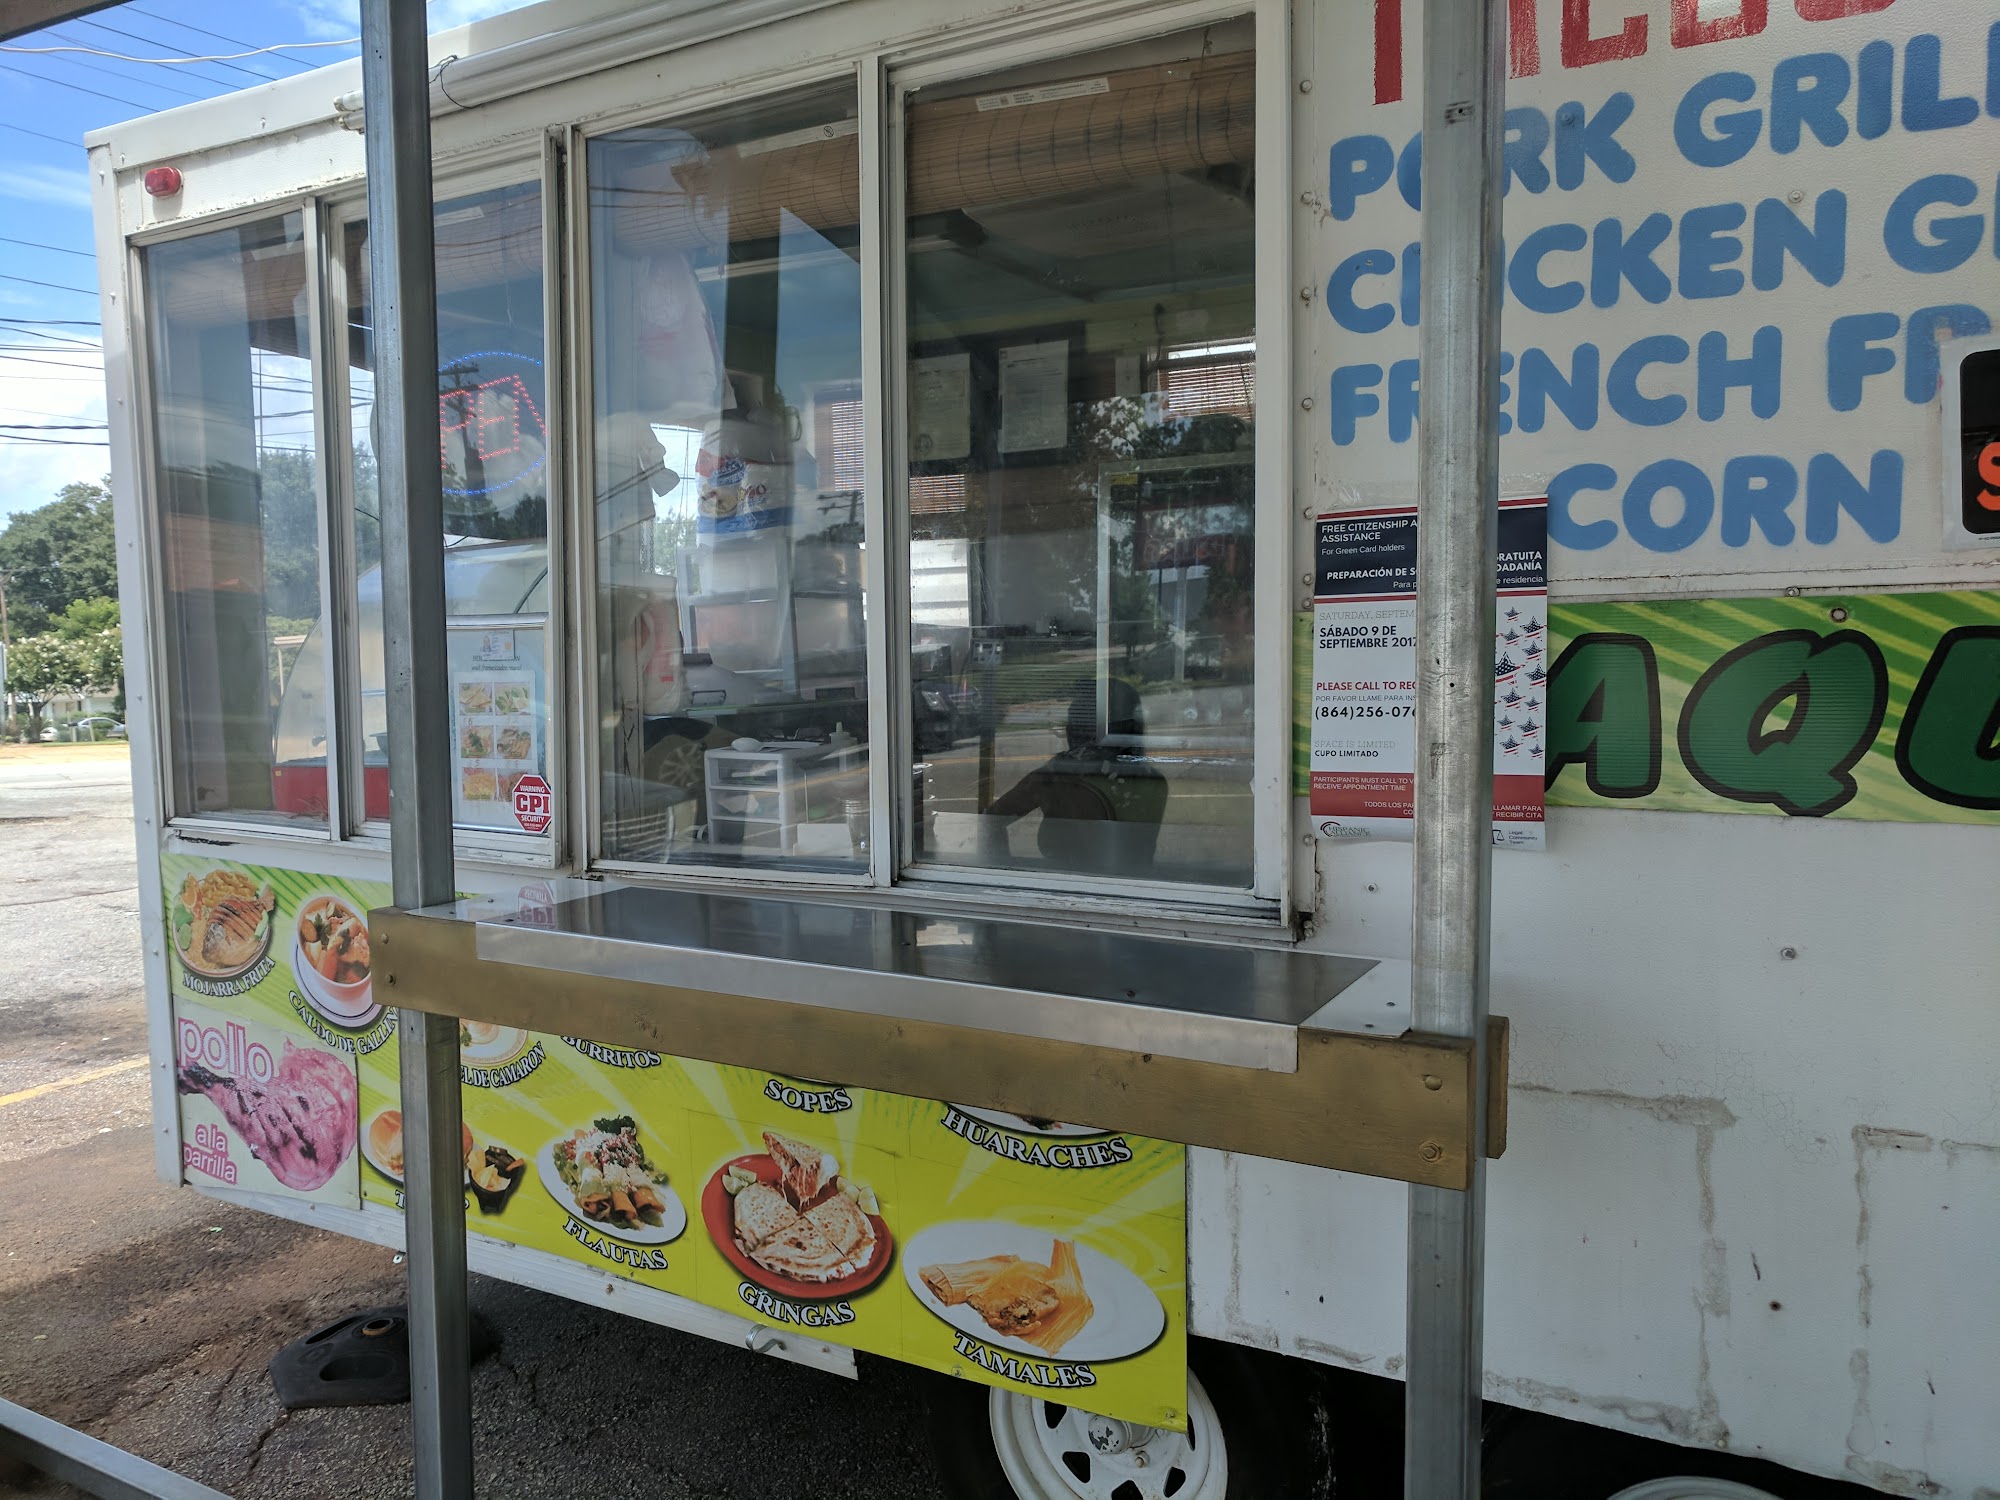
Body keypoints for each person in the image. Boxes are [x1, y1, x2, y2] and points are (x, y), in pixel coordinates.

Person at [981, 677, 1167, 875]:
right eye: (1072, 721)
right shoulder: (1154, 781)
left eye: (1079, 723)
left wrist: (1003, 875)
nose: (1070, 730)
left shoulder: (1059, 778)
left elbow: (992, 820)